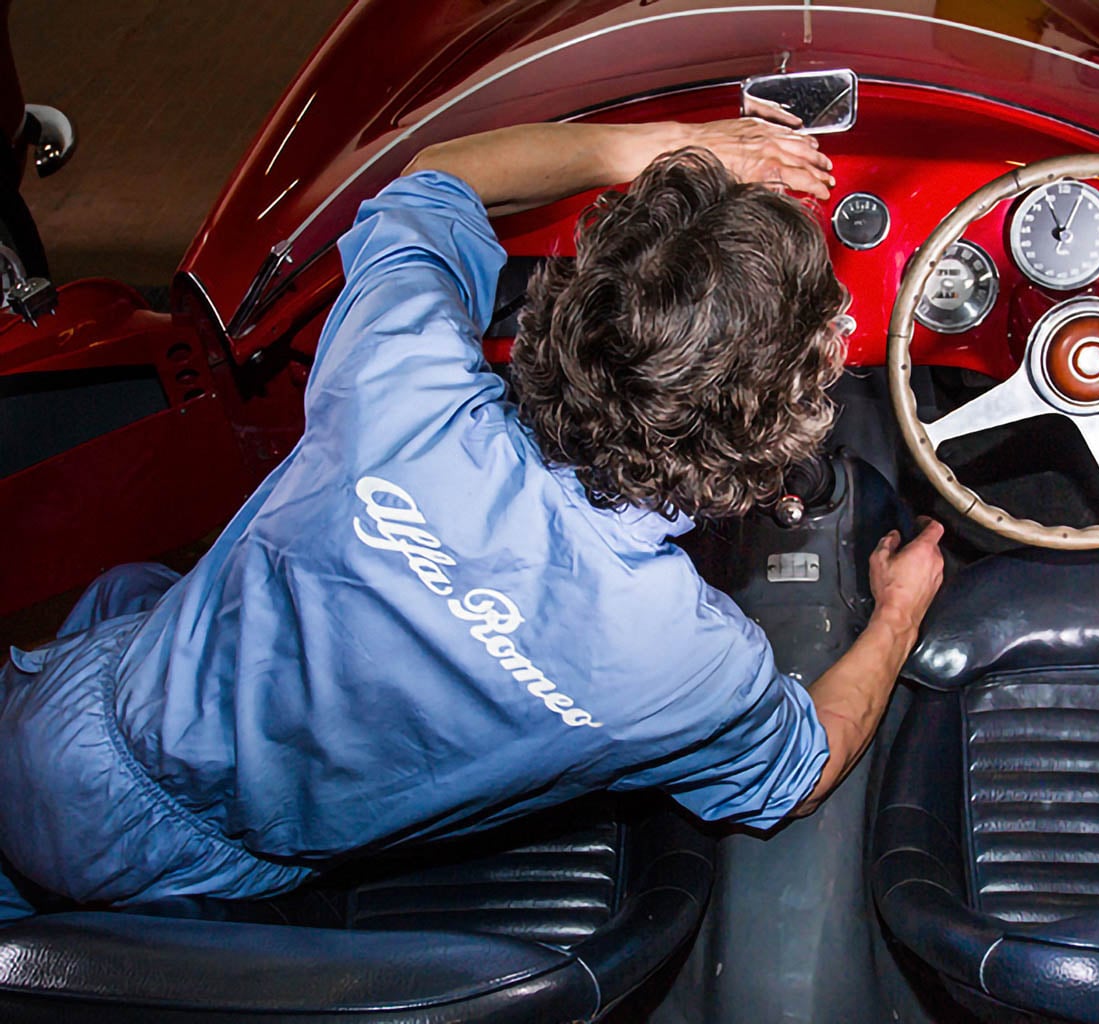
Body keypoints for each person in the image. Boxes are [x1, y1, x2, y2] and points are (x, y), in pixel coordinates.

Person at [0, 117, 944, 919]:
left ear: (574, 305)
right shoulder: (685, 661)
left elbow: (440, 172)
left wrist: (672, 143)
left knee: (128, 594)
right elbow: (804, 770)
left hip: (69, 723)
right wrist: (898, 614)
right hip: (202, 856)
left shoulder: (398, 379)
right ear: (774, 433)